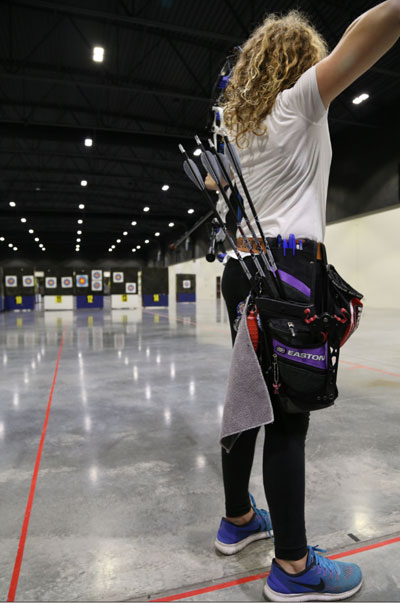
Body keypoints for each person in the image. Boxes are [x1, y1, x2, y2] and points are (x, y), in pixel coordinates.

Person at [210, 3, 400, 601]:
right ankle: (292, 565)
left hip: (245, 272)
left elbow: (222, 185)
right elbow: (377, 26)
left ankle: (238, 518)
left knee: (249, 400)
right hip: (288, 276)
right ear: (296, 62)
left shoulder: (240, 128)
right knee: (289, 415)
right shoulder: (296, 102)